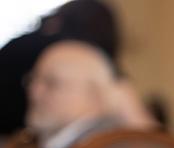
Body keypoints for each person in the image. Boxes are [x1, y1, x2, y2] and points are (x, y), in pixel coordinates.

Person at [0, 0, 120, 136]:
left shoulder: (27, 44)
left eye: (52, 84)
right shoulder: (65, 52)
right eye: (30, 81)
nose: (34, 92)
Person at [22, 41, 154, 148]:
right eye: (33, 80)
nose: (34, 92)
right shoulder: (26, 147)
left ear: (94, 94)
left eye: (52, 83)